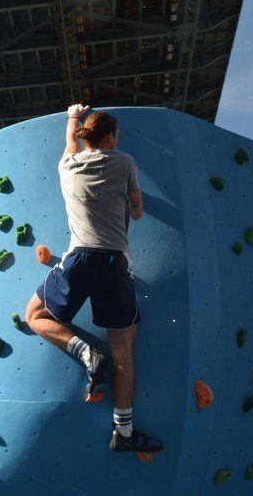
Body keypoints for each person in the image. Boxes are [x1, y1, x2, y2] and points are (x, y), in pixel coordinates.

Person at [25, 104, 163, 454]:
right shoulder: (125, 162)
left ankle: (85, 351)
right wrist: (129, 203)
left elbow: (70, 142)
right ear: (112, 137)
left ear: (85, 137)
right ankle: (124, 432)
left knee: (34, 316)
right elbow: (138, 211)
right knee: (124, 354)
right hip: (115, 262)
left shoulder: (68, 164)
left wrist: (73, 114)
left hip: (80, 258)